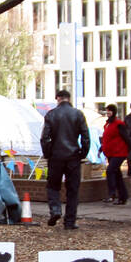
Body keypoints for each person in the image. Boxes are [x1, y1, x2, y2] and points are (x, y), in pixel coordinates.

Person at [41, 90, 90, 229]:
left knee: (53, 186)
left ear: (58, 99)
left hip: (56, 156)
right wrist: (82, 153)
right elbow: (85, 137)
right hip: (73, 156)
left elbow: (45, 138)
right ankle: (69, 222)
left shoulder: (51, 114)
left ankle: (55, 210)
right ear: (69, 98)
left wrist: (48, 153)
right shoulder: (78, 114)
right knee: (73, 190)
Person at [101, 104, 130, 205]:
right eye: (107, 111)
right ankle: (123, 196)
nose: (108, 112)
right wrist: (101, 148)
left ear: (114, 112)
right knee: (117, 175)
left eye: (110, 111)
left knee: (110, 171)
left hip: (119, 152)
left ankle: (112, 194)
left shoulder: (119, 124)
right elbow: (107, 138)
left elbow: (126, 137)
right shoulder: (107, 124)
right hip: (111, 153)